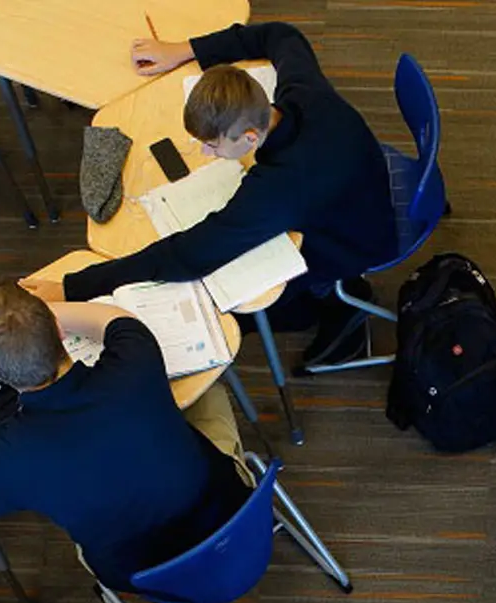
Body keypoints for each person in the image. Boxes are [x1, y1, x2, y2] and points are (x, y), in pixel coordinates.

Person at [28, 21, 399, 369]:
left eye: (213, 145)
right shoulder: (303, 92)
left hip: (356, 241)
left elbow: (189, 255)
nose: (206, 152)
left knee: (235, 311)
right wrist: (182, 50)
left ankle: (341, 310)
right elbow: (283, 35)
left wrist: (72, 288)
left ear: (250, 137)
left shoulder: (280, 189)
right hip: (362, 187)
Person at [0, 280, 250, 591]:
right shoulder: (134, 360)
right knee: (208, 391)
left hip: (147, 574)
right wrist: (36, 316)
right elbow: (114, 318)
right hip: (235, 514)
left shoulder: (2, 454)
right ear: (59, 330)